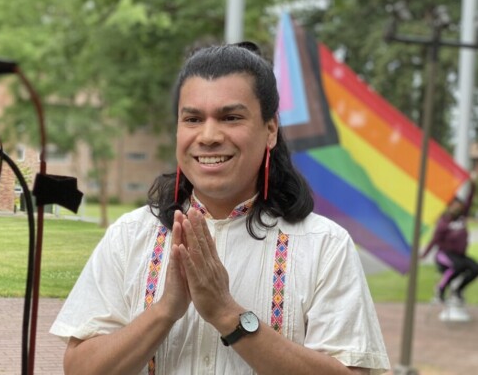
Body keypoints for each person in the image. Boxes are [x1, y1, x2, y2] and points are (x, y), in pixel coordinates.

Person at [50, 43, 390, 374]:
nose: (209, 135)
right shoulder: (130, 235)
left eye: (230, 117)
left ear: (270, 130)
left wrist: (227, 314)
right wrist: (165, 310)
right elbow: (79, 368)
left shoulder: (324, 245)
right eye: (193, 119)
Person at [422, 192, 478, 304]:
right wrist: (424, 254)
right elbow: (434, 240)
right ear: (449, 206)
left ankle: (458, 290)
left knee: (475, 268)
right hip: (444, 254)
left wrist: (472, 185)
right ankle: (440, 289)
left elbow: (469, 200)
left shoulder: (462, 218)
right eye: (454, 205)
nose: (457, 207)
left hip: (459, 255)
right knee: (456, 266)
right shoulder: (444, 222)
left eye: (459, 205)